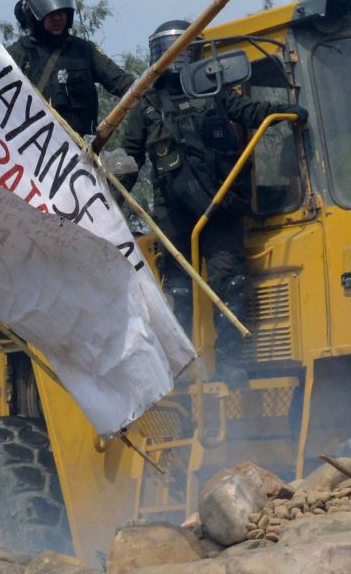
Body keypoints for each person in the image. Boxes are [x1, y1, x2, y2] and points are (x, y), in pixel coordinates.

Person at [117, 19, 304, 363]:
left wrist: (283, 111)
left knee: (231, 285)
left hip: (220, 209)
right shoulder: (145, 106)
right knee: (178, 293)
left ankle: (232, 365)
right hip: (174, 217)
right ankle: (183, 369)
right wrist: (110, 206)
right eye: (178, 51)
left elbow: (248, 111)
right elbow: (130, 161)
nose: (184, 58)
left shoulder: (214, 92)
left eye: (191, 50)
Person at [7, 0, 134, 137]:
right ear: (36, 17)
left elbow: (122, 82)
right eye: (51, 14)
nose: (58, 18)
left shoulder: (84, 51)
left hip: (80, 147)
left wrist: (146, 94)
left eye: (62, 13)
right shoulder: (20, 52)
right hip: (34, 148)